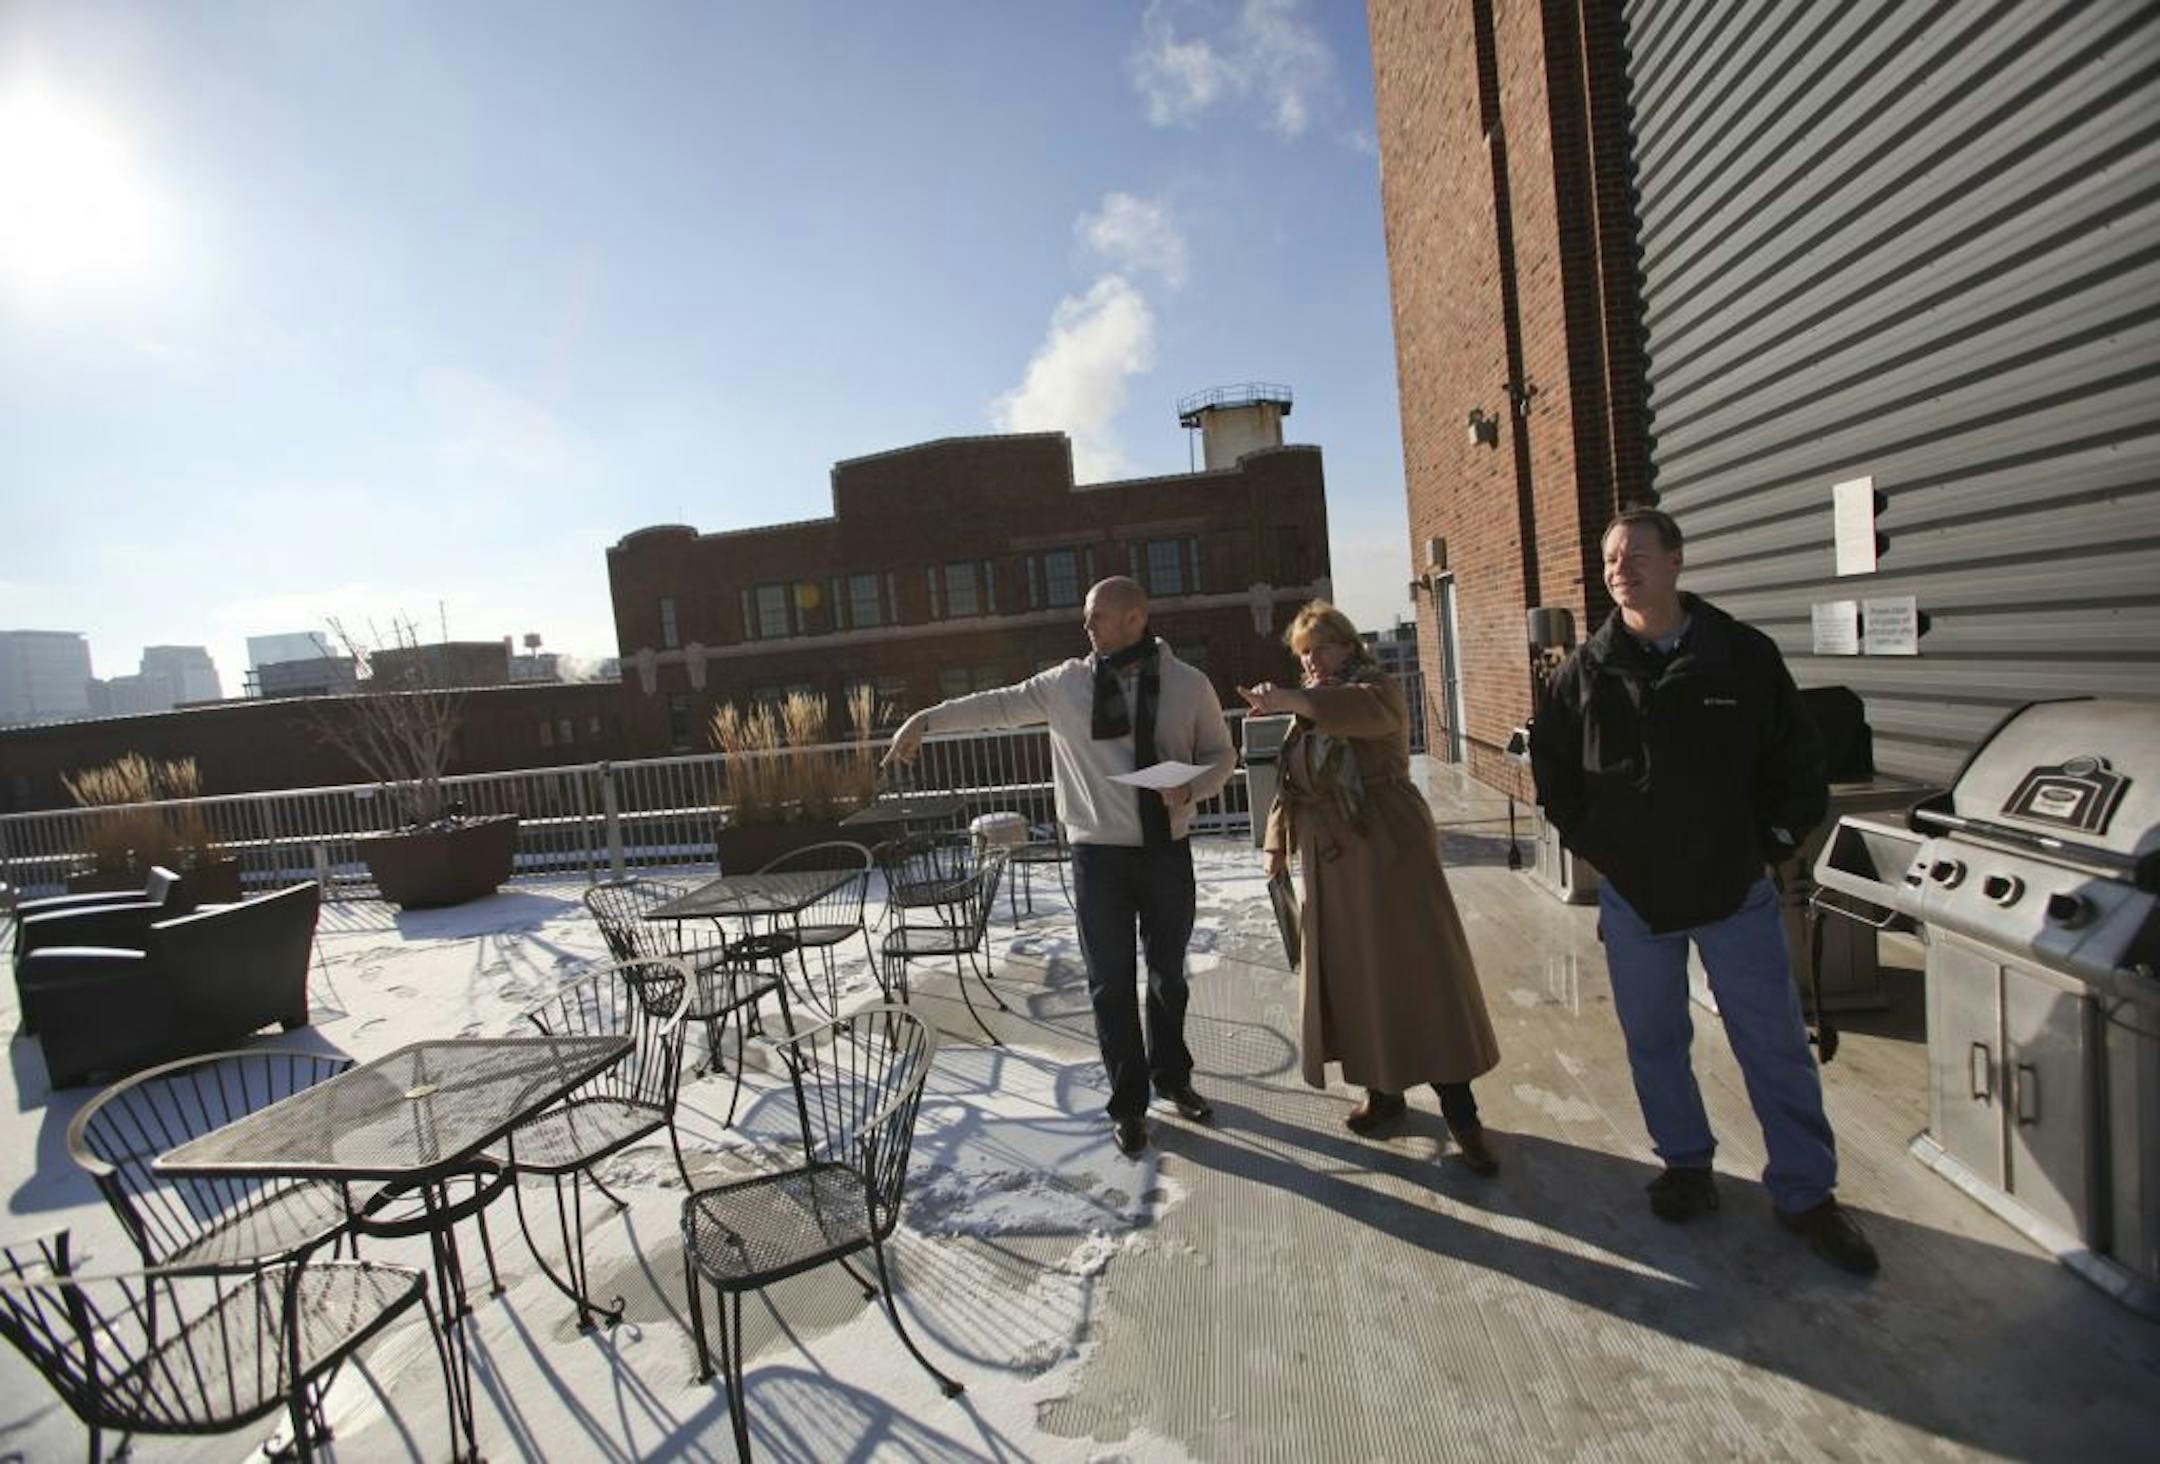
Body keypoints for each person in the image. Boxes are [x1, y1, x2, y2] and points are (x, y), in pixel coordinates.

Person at [1529, 507, 1879, 1274]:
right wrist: (1603, 852)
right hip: (1637, 900)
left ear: (1677, 560)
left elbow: (1798, 762)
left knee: (1774, 1046)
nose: (1619, 568)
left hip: (1734, 893)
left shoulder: (1741, 656)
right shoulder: (1582, 673)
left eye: (1635, 554)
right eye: (1610, 556)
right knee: (1655, 1042)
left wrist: (1773, 847)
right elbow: (1554, 775)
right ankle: (1686, 1166)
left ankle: (1807, 1193)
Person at [884, 576, 1235, 1157]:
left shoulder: (1188, 684)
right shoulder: (1066, 685)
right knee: (1109, 985)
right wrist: (925, 718)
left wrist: (1196, 785)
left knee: (1168, 974)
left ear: (1134, 618)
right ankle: (1129, 1103)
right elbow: (995, 706)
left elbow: (1222, 754)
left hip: (1166, 852)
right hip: (1098, 858)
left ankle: (1173, 1076)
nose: (1086, 627)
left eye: (1096, 616)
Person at [1241, 602, 1503, 1172]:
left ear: (1346, 645)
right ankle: (1384, 1097)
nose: (1311, 661)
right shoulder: (1313, 705)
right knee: (1357, 982)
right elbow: (1295, 778)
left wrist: (1291, 699)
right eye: (1303, 652)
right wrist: (1275, 842)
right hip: (1331, 861)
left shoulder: (1369, 689)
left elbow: (1361, 715)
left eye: (1320, 648)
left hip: (1388, 853)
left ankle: (1463, 1118)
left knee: (1419, 976)